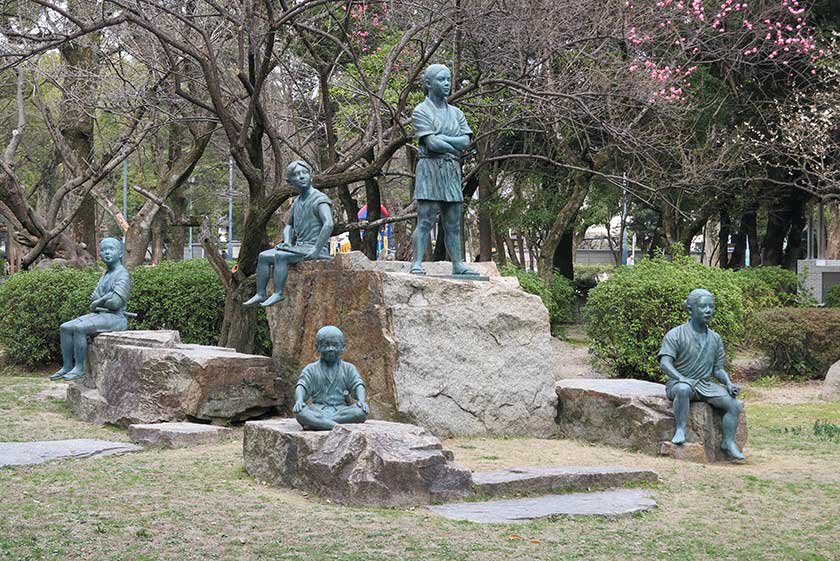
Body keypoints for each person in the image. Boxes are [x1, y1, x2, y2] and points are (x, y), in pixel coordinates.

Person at [658, 288, 745, 460]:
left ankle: (728, 441)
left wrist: (728, 383)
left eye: (711, 307)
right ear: (690, 309)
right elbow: (665, 363)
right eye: (703, 307)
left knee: (734, 405)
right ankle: (681, 428)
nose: (708, 311)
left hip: (704, 385)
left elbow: (718, 369)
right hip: (679, 383)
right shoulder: (676, 334)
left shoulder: (715, 338)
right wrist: (680, 378)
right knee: (683, 390)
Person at [410, 63, 477, 276]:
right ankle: (417, 262)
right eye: (441, 79)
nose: (447, 84)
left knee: (453, 222)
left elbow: (466, 141)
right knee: (426, 219)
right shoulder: (421, 111)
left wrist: (444, 139)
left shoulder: (456, 113)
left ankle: (457, 264)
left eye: (448, 79)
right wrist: (452, 145)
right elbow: (431, 144)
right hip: (429, 168)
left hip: (451, 170)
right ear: (429, 83)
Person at [243, 160, 334, 307]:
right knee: (264, 256)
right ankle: (260, 293)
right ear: (291, 181)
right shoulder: (297, 201)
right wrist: (287, 240)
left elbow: (329, 224)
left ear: (311, 176)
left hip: (315, 248)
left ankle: (278, 293)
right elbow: (289, 225)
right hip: (299, 247)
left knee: (281, 256)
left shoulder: (320, 199)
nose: (301, 177)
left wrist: (316, 250)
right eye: (296, 175)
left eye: (304, 173)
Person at [51, 237, 131, 382]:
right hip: (100, 314)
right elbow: (93, 303)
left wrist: (99, 300)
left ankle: (80, 368)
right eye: (103, 250)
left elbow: (115, 303)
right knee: (65, 328)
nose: (106, 253)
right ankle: (67, 366)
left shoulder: (122, 275)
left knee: (80, 328)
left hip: (116, 318)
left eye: (111, 249)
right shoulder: (105, 275)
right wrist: (102, 299)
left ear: (120, 253)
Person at [293, 326, 369, 431]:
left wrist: (361, 400)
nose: (331, 349)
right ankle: (336, 426)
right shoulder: (311, 369)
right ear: (317, 347)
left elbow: (358, 384)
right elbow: (302, 386)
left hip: (341, 411)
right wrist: (299, 400)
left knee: (361, 412)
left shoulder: (348, 368)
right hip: (317, 409)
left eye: (335, 345)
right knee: (300, 412)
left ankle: (319, 423)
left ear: (343, 347)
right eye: (325, 345)